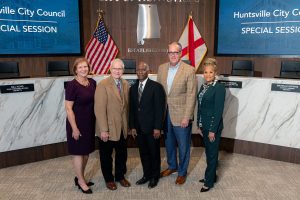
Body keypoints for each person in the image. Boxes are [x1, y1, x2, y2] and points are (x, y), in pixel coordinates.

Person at [157, 42, 197, 185]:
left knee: (183, 145)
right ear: (167, 54)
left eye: (176, 52)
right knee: (168, 143)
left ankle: (182, 172)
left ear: (181, 53)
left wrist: (187, 116)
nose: (173, 55)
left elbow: (191, 95)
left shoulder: (189, 70)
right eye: (170, 52)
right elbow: (159, 93)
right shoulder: (161, 69)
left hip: (181, 115)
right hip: (165, 114)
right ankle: (172, 166)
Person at [94, 58, 131, 191]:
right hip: (107, 128)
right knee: (106, 156)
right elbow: (99, 109)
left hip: (122, 127)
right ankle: (109, 179)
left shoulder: (125, 84)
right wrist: (103, 129)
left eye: (120, 69)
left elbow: (126, 107)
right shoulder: (102, 85)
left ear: (123, 70)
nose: (117, 71)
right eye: (115, 68)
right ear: (110, 69)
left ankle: (120, 176)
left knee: (122, 154)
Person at [129, 62, 166, 189]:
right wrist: (132, 126)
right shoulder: (133, 88)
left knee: (154, 153)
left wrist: (157, 127)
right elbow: (132, 110)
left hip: (152, 129)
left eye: (143, 70)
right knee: (143, 153)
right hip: (138, 129)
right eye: (138, 70)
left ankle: (155, 177)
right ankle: (146, 175)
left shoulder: (156, 87)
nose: (140, 72)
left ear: (148, 71)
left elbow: (159, 109)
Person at [65, 58, 96, 194]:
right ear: (75, 70)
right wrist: (75, 128)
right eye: (81, 67)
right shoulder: (72, 85)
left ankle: (80, 177)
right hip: (76, 124)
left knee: (87, 152)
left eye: (86, 67)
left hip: (89, 123)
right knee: (78, 153)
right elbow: (68, 109)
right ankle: (81, 181)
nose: (84, 69)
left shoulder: (93, 82)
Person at [197, 58, 225, 192]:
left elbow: (218, 111)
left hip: (213, 128)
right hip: (204, 126)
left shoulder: (219, 88)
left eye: (211, 72)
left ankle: (209, 182)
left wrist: (212, 130)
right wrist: (199, 124)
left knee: (212, 154)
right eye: (206, 72)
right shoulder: (204, 86)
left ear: (215, 73)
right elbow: (200, 107)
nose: (208, 75)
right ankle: (211, 176)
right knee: (209, 153)